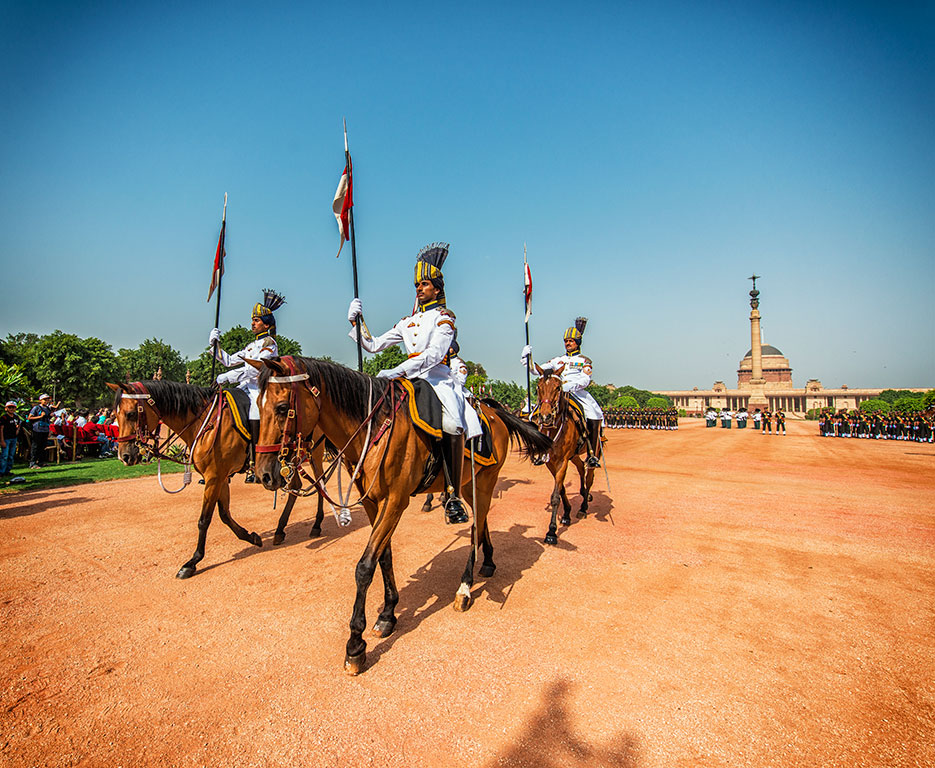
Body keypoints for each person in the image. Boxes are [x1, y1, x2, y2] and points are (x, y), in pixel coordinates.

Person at [347, 243, 482, 525]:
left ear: (437, 288)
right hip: (408, 381)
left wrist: (399, 369)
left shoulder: (445, 318)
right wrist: (357, 322)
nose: (419, 289)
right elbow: (373, 346)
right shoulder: (407, 322)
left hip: (439, 380)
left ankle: (453, 494)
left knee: (453, 423)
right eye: (417, 285)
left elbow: (434, 355)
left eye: (424, 284)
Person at [209, 289, 285, 482]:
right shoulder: (251, 346)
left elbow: (258, 369)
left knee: (254, 413)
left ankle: (254, 463)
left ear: (266, 324)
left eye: (257, 320)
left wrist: (229, 376)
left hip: (260, 389)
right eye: (253, 320)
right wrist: (214, 345)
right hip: (244, 387)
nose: (252, 323)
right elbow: (227, 360)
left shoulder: (270, 343)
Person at [521, 317, 603, 468]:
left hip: (577, 393)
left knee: (594, 413)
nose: (567, 343)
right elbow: (537, 371)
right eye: (566, 341)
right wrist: (527, 359)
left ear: (577, 343)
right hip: (555, 393)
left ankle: (592, 454)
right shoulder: (557, 360)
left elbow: (585, 379)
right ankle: (540, 449)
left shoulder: (584, 360)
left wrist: (568, 386)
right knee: (534, 414)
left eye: (571, 341)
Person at [28, 394, 56, 468]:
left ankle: (41, 461)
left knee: (43, 446)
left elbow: (49, 419)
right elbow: (30, 418)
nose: (46, 401)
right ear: (40, 400)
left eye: (47, 400)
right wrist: (40, 416)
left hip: (45, 429)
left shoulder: (47, 408)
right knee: (36, 446)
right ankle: (33, 462)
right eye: (45, 400)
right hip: (37, 429)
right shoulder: (36, 408)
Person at [1, 401, 23, 476]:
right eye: (9, 407)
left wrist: (17, 430)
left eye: (13, 407)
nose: (11, 409)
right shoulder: (4, 417)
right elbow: (1, 429)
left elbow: (18, 425)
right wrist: (2, 440)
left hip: (13, 438)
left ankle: (8, 470)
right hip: (6, 438)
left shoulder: (16, 417)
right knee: (5, 455)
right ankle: (2, 471)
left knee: (11, 455)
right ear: (6, 408)